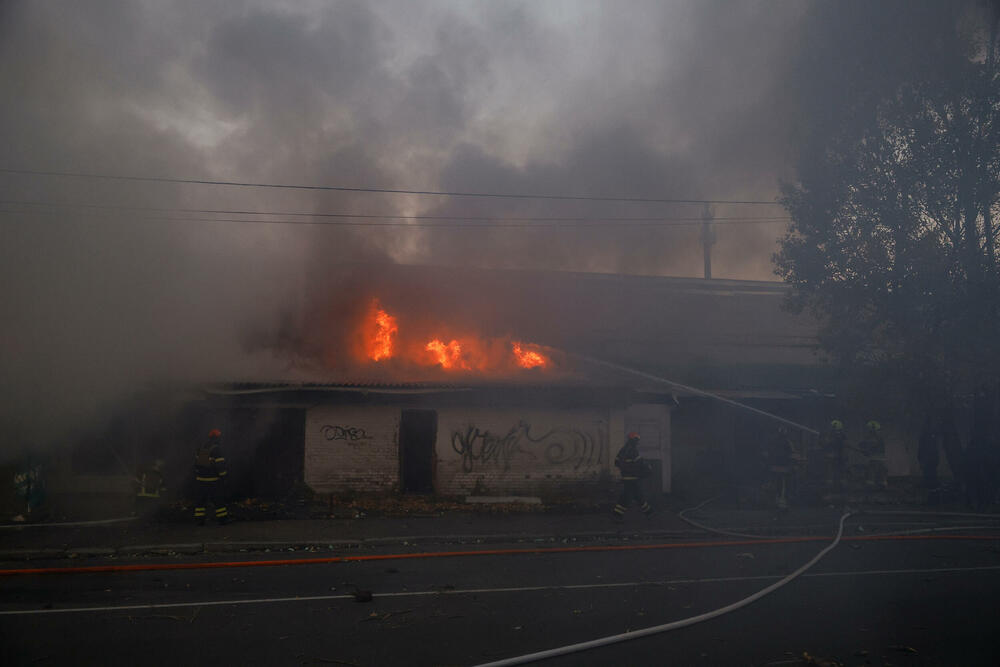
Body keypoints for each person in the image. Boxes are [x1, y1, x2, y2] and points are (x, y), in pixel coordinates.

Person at [612, 432, 652, 520]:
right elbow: (640, 463)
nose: (637, 442)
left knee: (637, 495)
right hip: (632, 477)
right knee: (627, 497)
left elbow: (616, 462)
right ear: (634, 440)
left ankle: (649, 512)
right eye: (637, 440)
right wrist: (648, 467)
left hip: (627, 477)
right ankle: (617, 515)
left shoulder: (623, 449)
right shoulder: (633, 450)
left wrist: (625, 468)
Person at [193, 429, 228, 525]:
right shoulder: (216, 449)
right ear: (217, 438)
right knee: (218, 500)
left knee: (201, 501)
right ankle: (223, 520)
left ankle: (199, 520)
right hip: (213, 481)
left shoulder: (202, 448)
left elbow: (196, 465)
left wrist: (198, 475)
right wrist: (223, 477)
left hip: (201, 480)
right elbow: (220, 465)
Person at [858, 420, 887, 488]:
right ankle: (880, 485)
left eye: (869, 430)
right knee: (880, 474)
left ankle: (871, 486)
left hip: (875, 459)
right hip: (879, 459)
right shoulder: (879, 436)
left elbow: (871, 444)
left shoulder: (876, 437)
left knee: (872, 472)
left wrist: (864, 446)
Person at [822, 420, 847, 492]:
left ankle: (839, 485)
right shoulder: (832, 435)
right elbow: (827, 444)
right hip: (835, 457)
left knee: (838, 472)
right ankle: (835, 485)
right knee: (834, 472)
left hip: (838, 457)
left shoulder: (839, 435)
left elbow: (845, 445)